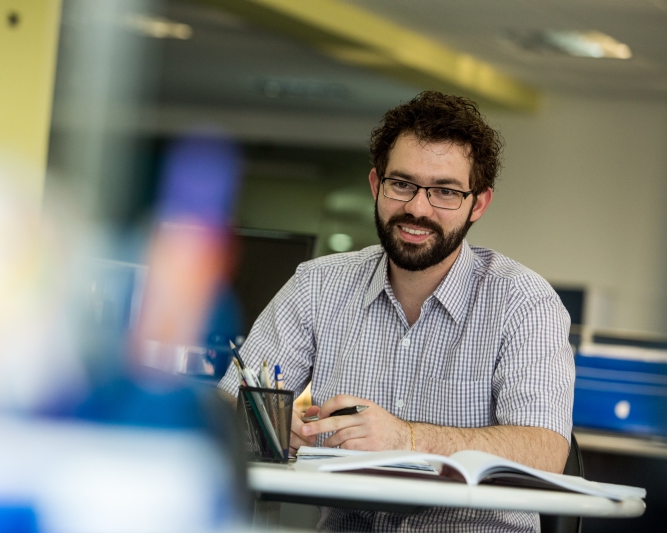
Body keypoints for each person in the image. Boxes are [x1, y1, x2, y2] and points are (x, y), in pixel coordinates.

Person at [218, 90, 574, 532]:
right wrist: (264, 425)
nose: (417, 208)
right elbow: (225, 404)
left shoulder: (523, 302)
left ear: (478, 204)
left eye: (444, 191)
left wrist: (407, 439)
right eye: (402, 184)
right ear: (376, 185)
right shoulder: (317, 286)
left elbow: (545, 451)